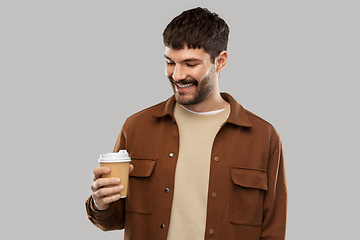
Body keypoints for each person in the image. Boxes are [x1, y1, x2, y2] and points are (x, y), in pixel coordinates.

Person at [86, 7, 287, 240]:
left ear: (220, 62)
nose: (177, 75)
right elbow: (114, 219)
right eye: (170, 62)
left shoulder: (264, 137)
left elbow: (274, 229)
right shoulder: (135, 128)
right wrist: (101, 204)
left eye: (190, 64)